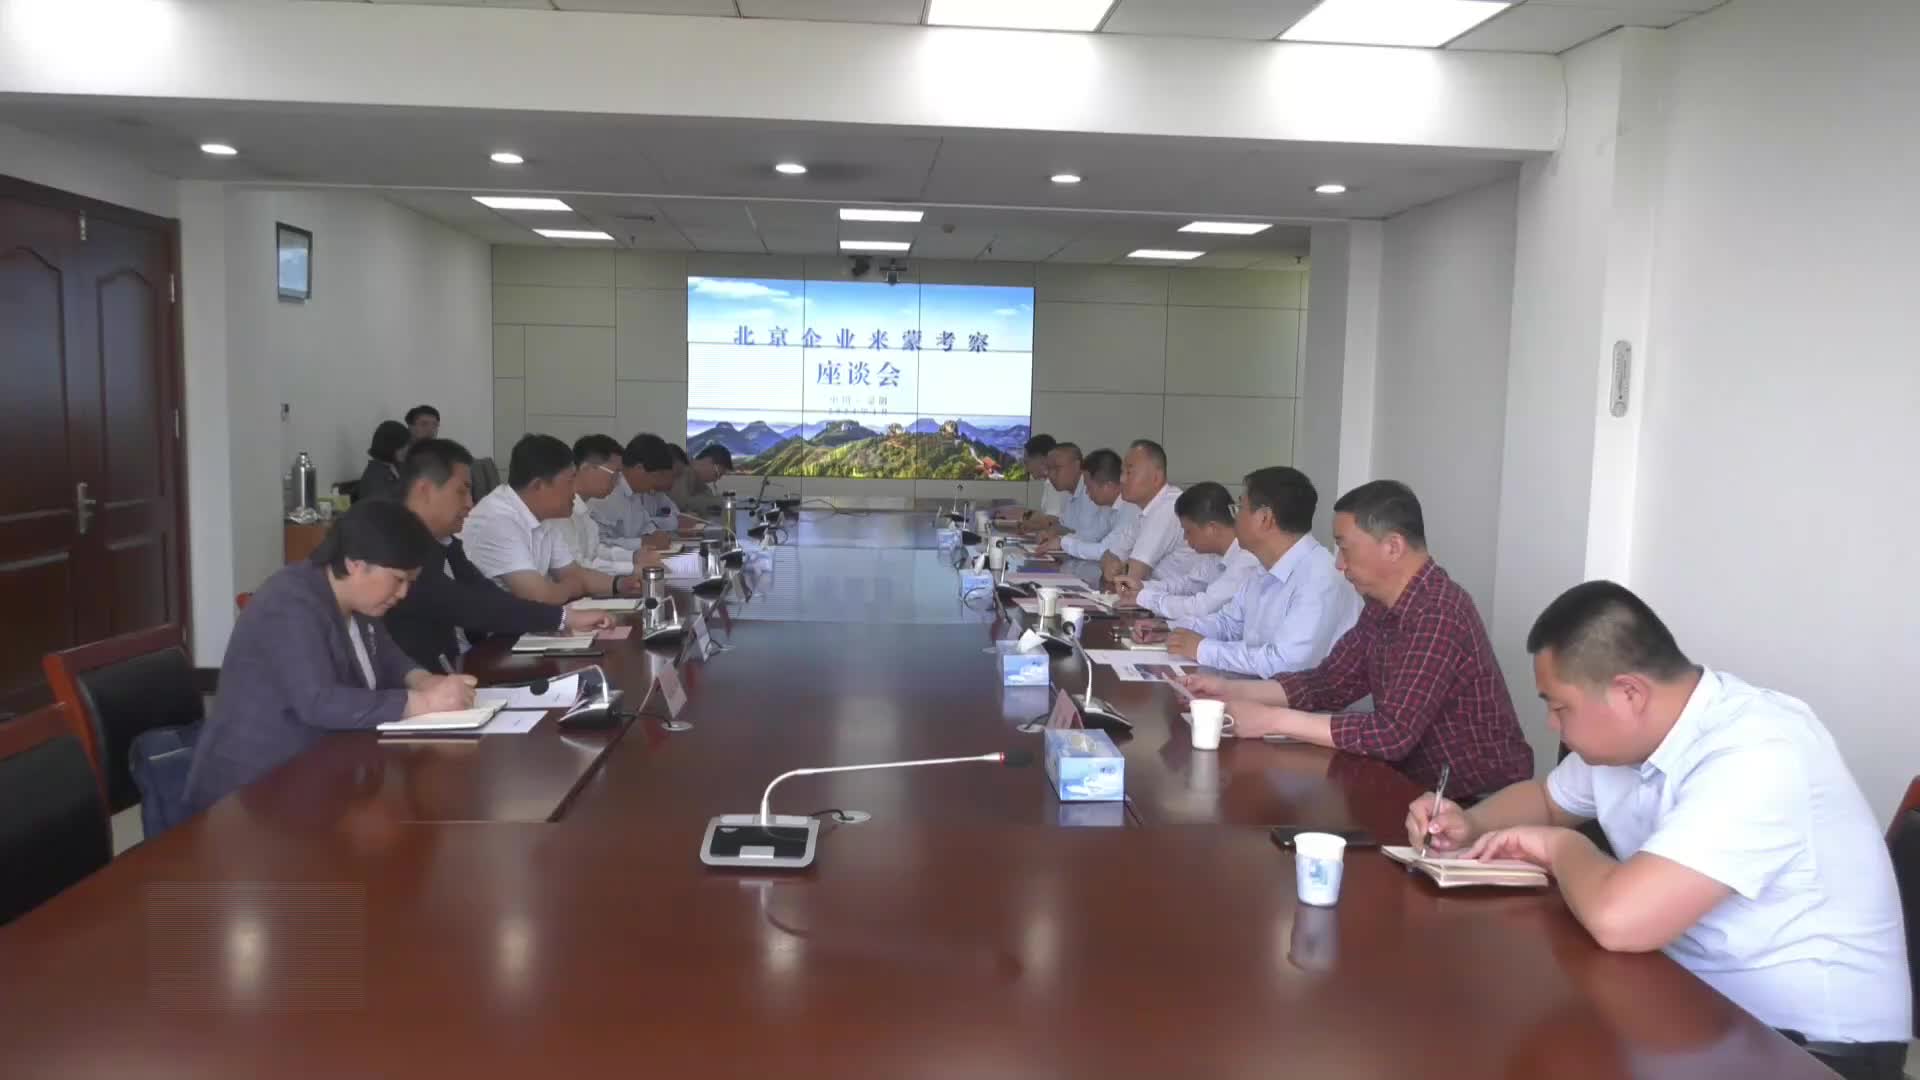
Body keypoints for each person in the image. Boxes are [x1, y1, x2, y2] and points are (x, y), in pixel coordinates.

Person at [1407, 582, 1910, 1080]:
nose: (1552, 724)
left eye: (1560, 707)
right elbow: (1548, 800)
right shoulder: (1632, 739)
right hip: (1690, 1007)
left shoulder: (1759, 750)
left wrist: (1562, 848)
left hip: (1812, 1050)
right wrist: (1470, 822)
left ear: (1629, 693)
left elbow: (1620, 919)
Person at [1181, 480, 1532, 799]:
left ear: (1393, 546)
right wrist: (1232, 690)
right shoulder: (1381, 607)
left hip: (1474, 799)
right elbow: (1329, 682)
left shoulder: (1438, 610)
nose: (1339, 564)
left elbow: (1392, 733)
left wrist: (1271, 720)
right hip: (1413, 785)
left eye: (1344, 549)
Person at [182, 499, 478, 813]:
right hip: (252, 794)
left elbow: (387, 656)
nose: (403, 593)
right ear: (355, 564)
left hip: (318, 776)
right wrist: (421, 703)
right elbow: (319, 700)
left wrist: (425, 681)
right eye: (398, 579)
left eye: (410, 582)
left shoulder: (358, 601)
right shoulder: (290, 602)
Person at [382, 438, 612, 672]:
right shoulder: (394, 541)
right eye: (461, 492)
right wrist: (561, 618)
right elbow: (466, 604)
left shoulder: (445, 541)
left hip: (454, 664)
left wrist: (558, 617)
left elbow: (485, 592)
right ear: (425, 490)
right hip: (415, 679)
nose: (470, 503)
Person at [1158, 468, 1360, 678]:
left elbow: (1284, 663)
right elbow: (1228, 624)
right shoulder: (1263, 567)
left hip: (1303, 696)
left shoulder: (1320, 577)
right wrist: (1169, 630)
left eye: (1239, 508)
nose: (1234, 518)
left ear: (1265, 518)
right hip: (1258, 688)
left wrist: (1202, 649)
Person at [460, 433, 642, 604]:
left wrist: (620, 584)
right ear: (538, 486)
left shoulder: (544, 516)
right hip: (489, 625)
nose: (574, 491)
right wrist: (569, 587)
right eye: (569, 482)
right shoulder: (499, 520)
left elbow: (573, 573)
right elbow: (539, 596)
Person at [1114, 482, 1248, 617]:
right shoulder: (1215, 554)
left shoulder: (1245, 559)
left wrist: (1144, 599)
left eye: (1188, 531)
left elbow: (1202, 607)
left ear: (1211, 528)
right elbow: (1190, 584)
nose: (1185, 538)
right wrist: (1143, 587)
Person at [563, 435, 664, 575]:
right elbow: (580, 567)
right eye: (615, 473)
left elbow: (595, 551)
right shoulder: (563, 512)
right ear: (587, 468)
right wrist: (632, 568)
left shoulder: (583, 511)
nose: (617, 481)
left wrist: (633, 557)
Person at [1098, 439, 1196, 583]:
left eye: (1129, 472)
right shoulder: (1140, 508)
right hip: (1154, 592)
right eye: (1122, 472)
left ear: (1156, 478)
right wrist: (1111, 565)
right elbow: (1108, 554)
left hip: (1180, 594)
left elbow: (1134, 575)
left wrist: (1118, 569)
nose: (1122, 479)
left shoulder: (1169, 507)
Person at [1034, 447, 1128, 560]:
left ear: (1108, 486)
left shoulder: (1130, 509)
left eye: (1089, 487)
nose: (1087, 492)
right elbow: (1091, 535)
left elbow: (1106, 551)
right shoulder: (1108, 507)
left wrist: (1063, 543)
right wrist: (1060, 540)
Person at [590, 432, 677, 551]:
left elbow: (645, 525)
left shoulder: (635, 493)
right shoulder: (607, 493)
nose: (657, 484)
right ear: (639, 469)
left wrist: (655, 534)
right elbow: (597, 545)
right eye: (657, 477)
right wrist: (641, 543)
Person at [356, 419, 410, 502]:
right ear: (388, 446)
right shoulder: (375, 476)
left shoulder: (398, 466)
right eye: (402, 446)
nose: (406, 449)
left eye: (406, 445)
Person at [672, 444, 733, 516]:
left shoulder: (697, 479)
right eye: (717, 474)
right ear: (708, 460)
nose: (717, 479)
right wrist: (718, 502)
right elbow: (681, 504)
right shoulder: (682, 468)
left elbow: (708, 495)